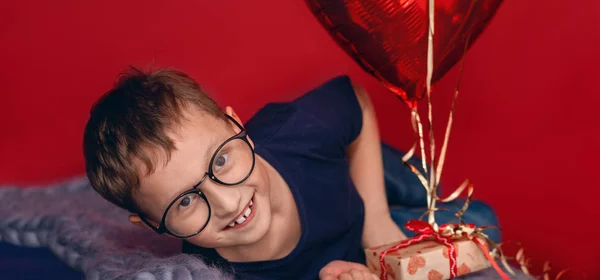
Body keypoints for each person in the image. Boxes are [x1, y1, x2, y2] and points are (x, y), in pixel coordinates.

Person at [83, 68, 500, 280]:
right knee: (481, 223)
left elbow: (354, 98)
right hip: (339, 227)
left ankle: (389, 197)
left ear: (235, 125)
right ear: (152, 224)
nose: (229, 203)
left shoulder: (297, 131)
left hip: (339, 168)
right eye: (187, 201)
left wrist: (376, 223)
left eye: (222, 160)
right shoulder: (212, 270)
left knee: (427, 184)